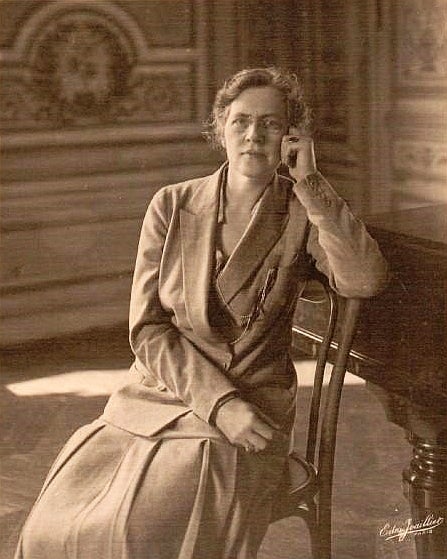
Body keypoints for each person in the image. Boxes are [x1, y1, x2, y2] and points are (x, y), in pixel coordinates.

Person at [15, 67, 388, 559]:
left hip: (250, 411)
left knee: (143, 530)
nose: (253, 135)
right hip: (159, 396)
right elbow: (148, 329)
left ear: (291, 137)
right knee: (56, 527)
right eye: (241, 121)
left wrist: (311, 183)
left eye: (271, 124)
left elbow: (364, 279)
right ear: (221, 128)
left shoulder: (302, 211)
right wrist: (218, 403)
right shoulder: (171, 204)